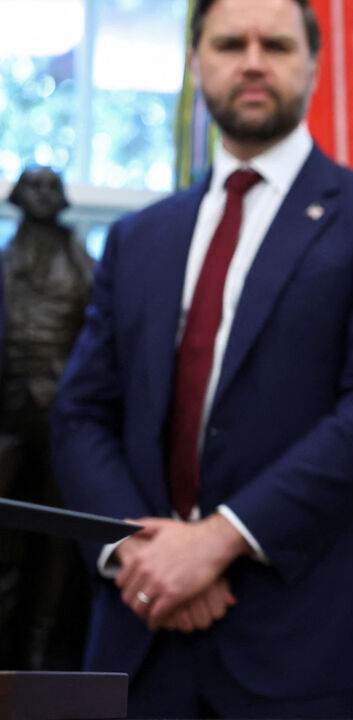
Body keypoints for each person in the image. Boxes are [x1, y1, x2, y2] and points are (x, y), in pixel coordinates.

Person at [49, 0, 353, 716]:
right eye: (230, 43)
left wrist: (216, 542)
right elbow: (80, 413)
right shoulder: (140, 237)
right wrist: (138, 553)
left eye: (276, 45)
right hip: (138, 632)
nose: (253, 61)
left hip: (302, 646)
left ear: (315, 65)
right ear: (197, 62)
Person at [0, 166, 95, 671]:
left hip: (63, 419)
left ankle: (43, 654)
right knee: (5, 540)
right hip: (8, 418)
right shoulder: (7, 259)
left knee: (59, 543)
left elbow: (103, 338)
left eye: (48, 186)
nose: (38, 195)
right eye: (29, 186)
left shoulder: (82, 262)